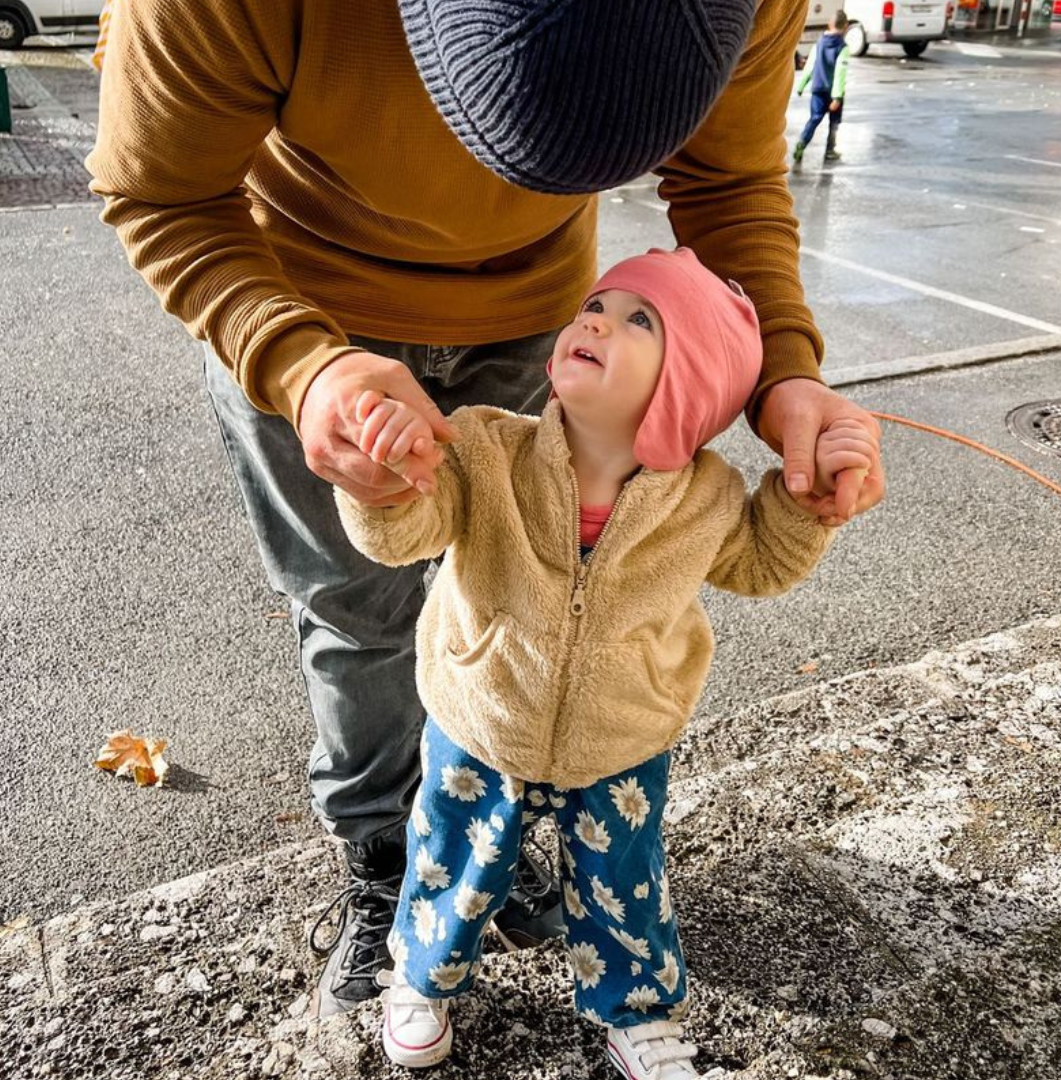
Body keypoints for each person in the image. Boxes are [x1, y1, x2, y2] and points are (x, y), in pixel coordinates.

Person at [86, 0, 884, 1020]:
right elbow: (159, 190)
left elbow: (729, 183)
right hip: (299, 298)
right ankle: (386, 851)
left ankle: (483, 835)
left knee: (511, 585)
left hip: (534, 317)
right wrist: (301, 366)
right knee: (353, 609)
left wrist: (788, 380)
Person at [334, 248, 873, 1075]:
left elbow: (760, 565)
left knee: (625, 880)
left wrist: (805, 506)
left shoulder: (710, 496)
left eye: (639, 320)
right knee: (451, 856)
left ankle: (637, 1010)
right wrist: (383, 482)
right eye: (598, 303)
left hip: (621, 736)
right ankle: (421, 978)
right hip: (485, 717)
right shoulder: (485, 448)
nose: (596, 320)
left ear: (687, 386)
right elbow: (405, 535)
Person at [794, 11, 852, 164]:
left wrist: (801, 85)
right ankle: (830, 150)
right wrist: (837, 97)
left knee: (814, 119)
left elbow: (810, 66)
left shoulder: (818, 43)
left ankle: (802, 143)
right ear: (845, 26)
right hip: (833, 92)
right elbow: (840, 73)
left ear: (829, 24)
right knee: (834, 123)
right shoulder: (843, 47)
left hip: (817, 89)